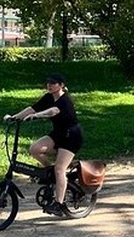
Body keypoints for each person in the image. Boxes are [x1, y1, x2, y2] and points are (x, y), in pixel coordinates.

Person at [6, 73, 83, 214]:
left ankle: (59, 204)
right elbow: (32, 108)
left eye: (53, 83)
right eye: (48, 82)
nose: (49, 85)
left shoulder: (65, 100)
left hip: (72, 136)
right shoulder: (48, 97)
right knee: (35, 149)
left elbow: (52, 111)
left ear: (61, 85)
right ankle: (51, 174)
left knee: (60, 169)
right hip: (58, 134)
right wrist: (15, 117)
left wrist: (37, 116)